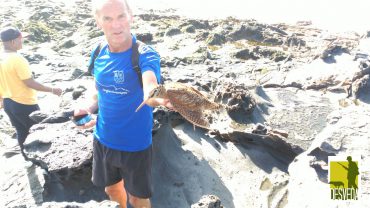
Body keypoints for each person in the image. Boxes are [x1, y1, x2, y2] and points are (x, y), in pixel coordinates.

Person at [74, 0, 172, 207]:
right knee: (111, 188)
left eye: (121, 16)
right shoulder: (98, 51)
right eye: (107, 18)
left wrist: (159, 98)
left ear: (131, 17)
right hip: (102, 139)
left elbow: (150, 87)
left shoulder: (145, 54)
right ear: (98, 22)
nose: (116, 25)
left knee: (138, 197)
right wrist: (88, 107)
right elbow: (98, 87)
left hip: (135, 145)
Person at [0, 25, 63, 150]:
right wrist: (52, 90)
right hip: (24, 103)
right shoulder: (17, 59)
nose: (22, 40)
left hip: (8, 103)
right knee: (36, 132)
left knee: (21, 131)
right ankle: (40, 162)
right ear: (13, 41)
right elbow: (29, 83)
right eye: (20, 38)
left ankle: (26, 158)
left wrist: (1, 100)